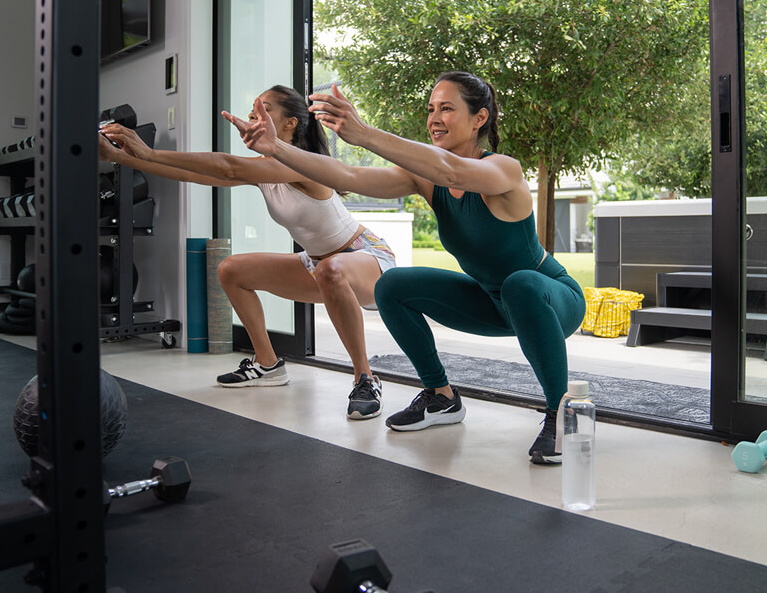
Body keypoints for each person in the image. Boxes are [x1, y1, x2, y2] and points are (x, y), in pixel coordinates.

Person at [227, 72, 586, 464]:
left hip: (550, 299)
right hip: (492, 301)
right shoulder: (427, 180)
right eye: (431, 109)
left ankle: (561, 412)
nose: (434, 118)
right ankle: (441, 396)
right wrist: (277, 148)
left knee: (520, 283)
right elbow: (348, 176)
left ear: (479, 118)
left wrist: (365, 134)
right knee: (393, 284)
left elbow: (452, 171)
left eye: (447, 109)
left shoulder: (504, 171)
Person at [99, 84, 395, 421]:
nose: (255, 113)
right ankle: (268, 364)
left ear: (290, 124)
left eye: (265, 108)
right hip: (318, 265)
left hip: (365, 258)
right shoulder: (265, 170)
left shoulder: (303, 165)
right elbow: (197, 174)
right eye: (254, 108)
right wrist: (123, 157)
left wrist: (148, 154)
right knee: (231, 270)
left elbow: (228, 167)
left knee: (333, 269)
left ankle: (365, 378)